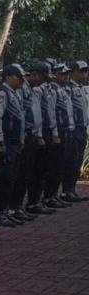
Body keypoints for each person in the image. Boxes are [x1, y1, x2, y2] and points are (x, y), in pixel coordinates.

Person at [0, 63, 26, 227]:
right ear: (8, 77)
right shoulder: (3, 93)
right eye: (19, 77)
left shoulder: (14, 93)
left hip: (15, 142)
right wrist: (0, 141)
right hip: (7, 142)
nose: (21, 80)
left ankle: (5, 210)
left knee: (12, 178)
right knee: (3, 178)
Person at [22, 61, 51, 216]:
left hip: (34, 135)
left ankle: (32, 203)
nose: (44, 82)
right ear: (34, 75)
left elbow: (37, 114)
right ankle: (14, 207)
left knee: (37, 171)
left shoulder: (34, 88)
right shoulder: (22, 89)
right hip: (26, 136)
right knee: (24, 174)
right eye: (43, 78)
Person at [48, 63, 75, 207]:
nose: (66, 77)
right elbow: (51, 113)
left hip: (66, 130)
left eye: (67, 74)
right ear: (55, 75)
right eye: (62, 74)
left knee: (61, 166)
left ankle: (54, 194)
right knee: (55, 166)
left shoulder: (64, 89)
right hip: (58, 131)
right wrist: (55, 133)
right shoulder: (52, 90)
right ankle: (49, 196)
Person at [66, 61, 89, 202]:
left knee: (77, 161)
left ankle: (71, 190)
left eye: (85, 71)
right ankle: (66, 191)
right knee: (71, 161)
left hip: (82, 129)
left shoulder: (82, 88)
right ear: (73, 72)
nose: (84, 74)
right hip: (73, 129)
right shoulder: (68, 88)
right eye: (81, 71)